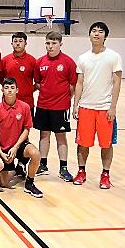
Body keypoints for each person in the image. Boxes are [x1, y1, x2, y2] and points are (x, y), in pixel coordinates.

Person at [72, 22, 122, 189]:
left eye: (100, 32)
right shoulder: (83, 58)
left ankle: (105, 174)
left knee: (106, 144)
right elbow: (79, 83)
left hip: (105, 108)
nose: (97, 34)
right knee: (83, 143)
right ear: (89, 34)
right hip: (86, 107)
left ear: (105, 36)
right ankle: (81, 171)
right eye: (94, 31)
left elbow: (116, 82)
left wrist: (113, 107)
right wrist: (75, 105)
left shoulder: (114, 56)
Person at [34, 31, 77, 182]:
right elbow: (38, 83)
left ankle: (63, 168)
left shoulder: (68, 62)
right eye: (48, 43)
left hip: (61, 107)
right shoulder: (40, 62)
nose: (50, 46)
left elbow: (73, 85)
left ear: (60, 44)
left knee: (61, 137)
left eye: (53, 43)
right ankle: (43, 164)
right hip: (43, 106)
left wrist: (65, 99)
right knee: (43, 135)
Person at [0, 78, 43, 198]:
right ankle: (17, 168)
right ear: (2, 90)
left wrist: (16, 147)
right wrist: (0, 152)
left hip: (19, 146)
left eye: (12, 88)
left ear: (17, 90)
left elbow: (26, 129)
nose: (9, 90)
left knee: (35, 153)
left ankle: (29, 183)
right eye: (7, 88)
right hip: (4, 149)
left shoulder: (24, 107)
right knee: (3, 183)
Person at [0, 31, 37, 177]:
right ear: (12, 43)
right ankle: (8, 161)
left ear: (25, 43)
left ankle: (21, 164)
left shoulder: (33, 61)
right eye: (15, 41)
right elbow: (1, 79)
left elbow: (37, 82)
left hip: (27, 104)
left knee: (24, 136)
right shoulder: (5, 60)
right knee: (7, 134)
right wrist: (10, 93)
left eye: (20, 41)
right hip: (7, 106)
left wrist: (26, 91)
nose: (18, 43)